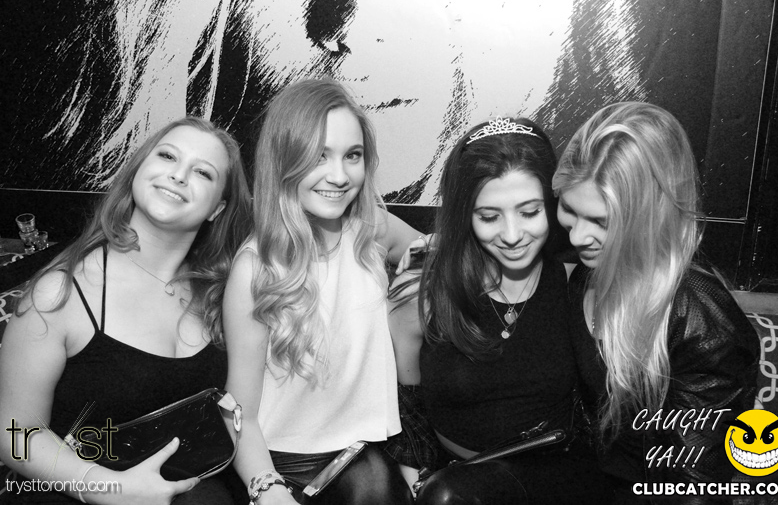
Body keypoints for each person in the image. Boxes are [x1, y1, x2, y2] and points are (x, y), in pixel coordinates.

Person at [0, 117, 252, 504]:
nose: (178, 175)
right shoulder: (60, 294)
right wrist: (108, 488)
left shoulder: (221, 293)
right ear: (137, 170)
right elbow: (13, 435)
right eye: (167, 156)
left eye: (203, 172)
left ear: (217, 208)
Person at [388, 117, 610, 504]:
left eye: (529, 212)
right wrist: (416, 479)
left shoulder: (578, 283)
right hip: (453, 482)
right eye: (489, 217)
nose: (511, 235)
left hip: (556, 476)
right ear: (465, 215)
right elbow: (408, 406)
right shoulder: (422, 293)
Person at [223, 78, 419, 505]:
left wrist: (416, 282)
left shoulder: (370, 229)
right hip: (281, 463)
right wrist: (267, 488)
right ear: (284, 160)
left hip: (365, 454)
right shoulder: (255, 268)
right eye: (318, 156)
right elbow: (240, 414)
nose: (339, 176)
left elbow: (438, 253)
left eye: (353, 156)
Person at [552, 102, 761, 502]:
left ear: (650, 217)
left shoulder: (701, 319)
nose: (577, 236)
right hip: (591, 478)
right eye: (569, 209)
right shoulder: (588, 271)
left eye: (601, 221)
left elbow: (695, 484)